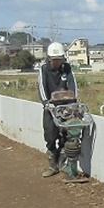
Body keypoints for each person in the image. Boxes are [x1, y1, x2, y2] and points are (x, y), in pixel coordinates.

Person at [37, 41, 78, 177]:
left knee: (68, 134)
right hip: (50, 108)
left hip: (66, 107)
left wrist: (73, 102)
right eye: (54, 60)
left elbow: (73, 86)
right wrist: (46, 102)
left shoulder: (67, 68)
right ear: (49, 59)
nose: (57, 62)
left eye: (59, 59)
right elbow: (41, 87)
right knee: (50, 136)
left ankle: (62, 162)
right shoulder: (43, 69)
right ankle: (52, 165)